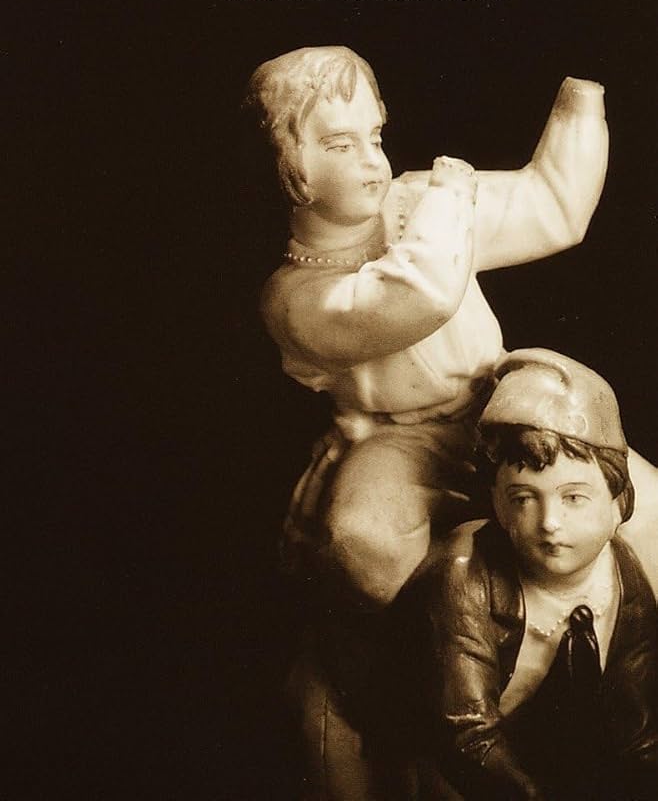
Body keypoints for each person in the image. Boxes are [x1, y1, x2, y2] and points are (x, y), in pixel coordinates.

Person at [247, 46, 610, 609]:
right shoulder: (295, 297)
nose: (373, 162)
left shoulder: (413, 203)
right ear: (285, 165)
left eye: (375, 137)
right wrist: (451, 198)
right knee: (364, 538)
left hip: (499, 402)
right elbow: (419, 297)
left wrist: (581, 100)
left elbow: (554, 208)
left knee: (635, 503)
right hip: (402, 438)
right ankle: (471, 623)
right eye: (340, 145)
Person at [423, 349, 657, 801]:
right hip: (454, 770)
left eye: (574, 498)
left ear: (619, 505)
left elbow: (637, 724)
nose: (549, 523)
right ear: (498, 505)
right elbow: (466, 735)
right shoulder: (465, 575)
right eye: (524, 498)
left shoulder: (622, 575)